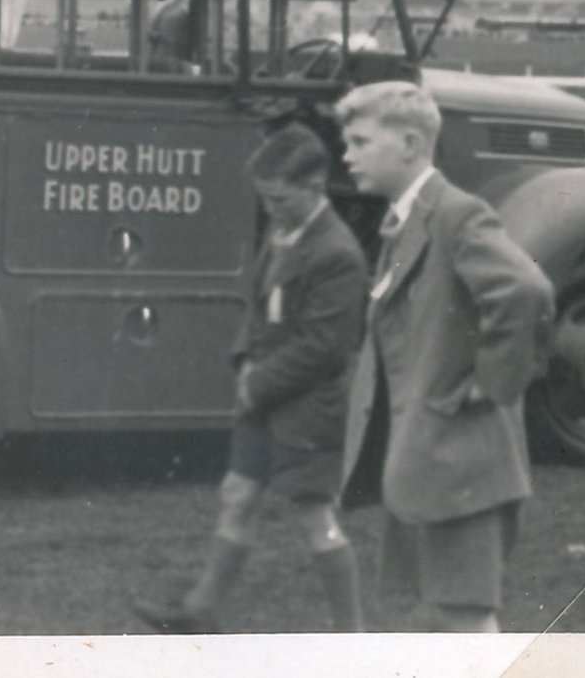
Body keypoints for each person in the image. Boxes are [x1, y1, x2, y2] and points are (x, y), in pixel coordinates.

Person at [132, 123, 369, 633]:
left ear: (315, 186)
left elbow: (325, 348)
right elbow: (258, 309)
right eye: (264, 199)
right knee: (239, 492)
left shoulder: (339, 255)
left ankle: (353, 638)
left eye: (279, 199)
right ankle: (203, 609)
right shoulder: (283, 232)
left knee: (314, 516)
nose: (270, 210)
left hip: (308, 407)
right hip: (264, 394)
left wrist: (256, 383)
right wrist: (244, 359)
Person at [336, 81, 553, 633]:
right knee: (439, 618)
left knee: (466, 623)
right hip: (429, 464)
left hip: (463, 465)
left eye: (360, 141)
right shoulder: (406, 220)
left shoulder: (457, 214)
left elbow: (525, 292)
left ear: (410, 145)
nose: (347, 154)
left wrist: (490, 384)